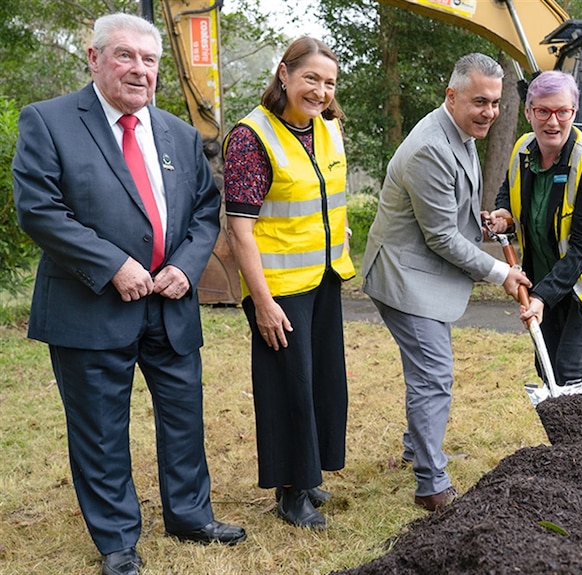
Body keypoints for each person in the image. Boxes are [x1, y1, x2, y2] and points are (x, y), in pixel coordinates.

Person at [12, 12, 246, 575]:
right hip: (88, 305)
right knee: (99, 429)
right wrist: (113, 264)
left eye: (149, 60)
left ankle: (190, 516)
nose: (139, 70)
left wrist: (189, 267)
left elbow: (202, 212)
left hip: (170, 304)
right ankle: (117, 541)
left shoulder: (180, 134)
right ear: (93, 58)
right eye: (125, 56)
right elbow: (39, 210)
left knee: (184, 416)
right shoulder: (48, 122)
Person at [362, 53, 531, 512]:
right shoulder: (430, 148)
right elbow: (438, 237)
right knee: (434, 375)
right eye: (480, 101)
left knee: (427, 373)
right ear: (451, 96)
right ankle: (431, 485)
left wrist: (481, 222)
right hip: (403, 276)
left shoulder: (460, 130)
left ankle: (419, 449)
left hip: (419, 267)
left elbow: (446, 211)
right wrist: (501, 272)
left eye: (495, 103)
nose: (490, 113)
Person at [222, 36, 354, 530]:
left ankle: (308, 473)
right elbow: (240, 229)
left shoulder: (329, 127)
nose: (320, 91)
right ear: (284, 74)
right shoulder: (250, 136)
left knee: (321, 383)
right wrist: (262, 301)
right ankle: (289, 492)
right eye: (311, 79)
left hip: (324, 277)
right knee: (288, 388)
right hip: (277, 287)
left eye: (329, 82)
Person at [487, 70, 582, 422]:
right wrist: (503, 215)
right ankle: (565, 454)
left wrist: (541, 298)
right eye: (542, 111)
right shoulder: (524, 149)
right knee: (547, 367)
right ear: (528, 112)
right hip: (548, 276)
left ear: (574, 112)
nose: (552, 122)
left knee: (571, 368)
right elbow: (508, 192)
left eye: (562, 112)